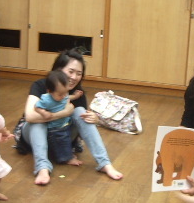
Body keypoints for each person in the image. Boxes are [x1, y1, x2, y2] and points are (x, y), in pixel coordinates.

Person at [21, 48, 123, 185]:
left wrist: (95, 119)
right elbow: (29, 116)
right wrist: (63, 113)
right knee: (38, 123)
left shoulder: (77, 93)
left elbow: (82, 124)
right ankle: (42, 168)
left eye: (79, 74)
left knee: (80, 111)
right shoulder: (41, 85)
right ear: (58, 69)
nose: (74, 77)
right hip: (35, 136)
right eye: (71, 71)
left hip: (62, 138)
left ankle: (105, 163)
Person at [34, 70, 84, 167]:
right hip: (55, 128)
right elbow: (36, 107)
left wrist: (75, 96)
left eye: (65, 92)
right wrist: (43, 112)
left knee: (67, 139)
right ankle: (66, 158)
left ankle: (69, 152)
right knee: (61, 142)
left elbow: (67, 97)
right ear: (49, 91)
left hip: (65, 123)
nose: (64, 96)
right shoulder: (46, 99)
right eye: (60, 94)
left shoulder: (63, 94)